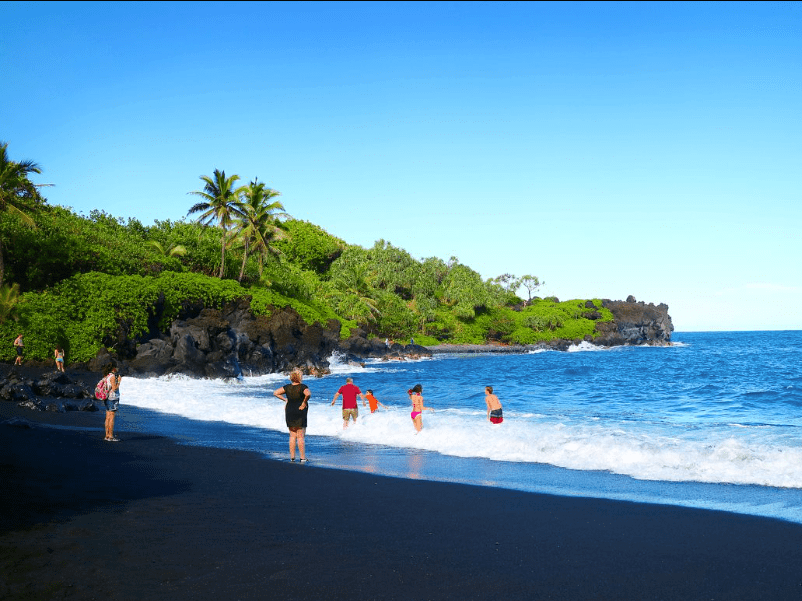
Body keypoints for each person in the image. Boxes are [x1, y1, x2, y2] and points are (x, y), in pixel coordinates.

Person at [273, 371, 310, 463]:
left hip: (290, 410)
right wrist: (304, 402)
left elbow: (276, 393)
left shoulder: (287, 387)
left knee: (292, 435)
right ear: (299, 377)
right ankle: (302, 458)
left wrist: (285, 399)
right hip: (300, 411)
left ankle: (292, 458)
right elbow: (308, 394)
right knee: (300, 436)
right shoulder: (303, 387)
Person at [102, 366, 122, 441]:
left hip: (107, 397)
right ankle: (110, 436)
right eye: (116, 368)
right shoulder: (113, 377)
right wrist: (119, 381)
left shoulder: (107, 376)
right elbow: (114, 388)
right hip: (112, 398)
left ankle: (107, 435)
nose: (117, 369)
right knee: (111, 416)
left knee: (107, 417)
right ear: (113, 369)